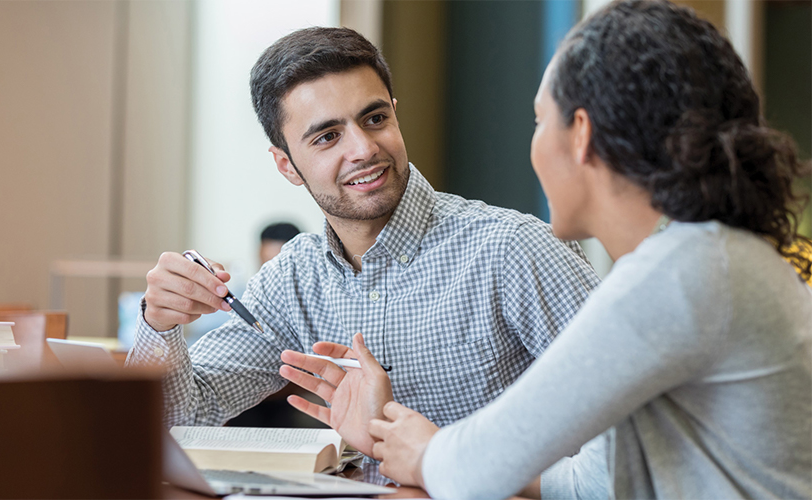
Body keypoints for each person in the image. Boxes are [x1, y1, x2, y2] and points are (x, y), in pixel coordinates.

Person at [282, 1, 812, 498]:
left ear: (580, 134)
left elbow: (475, 465)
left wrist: (421, 447)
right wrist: (409, 441)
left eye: (539, 121)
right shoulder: (707, 257)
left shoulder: (676, 274)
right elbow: (599, 477)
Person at [125, 27, 600, 455]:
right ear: (286, 164)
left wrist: (450, 462)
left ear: (395, 114)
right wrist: (159, 324)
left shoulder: (515, 249)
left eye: (374, 119)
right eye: (327, 136)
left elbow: (642, 431)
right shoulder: (294, 279)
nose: (363, 149)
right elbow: (177, 421)